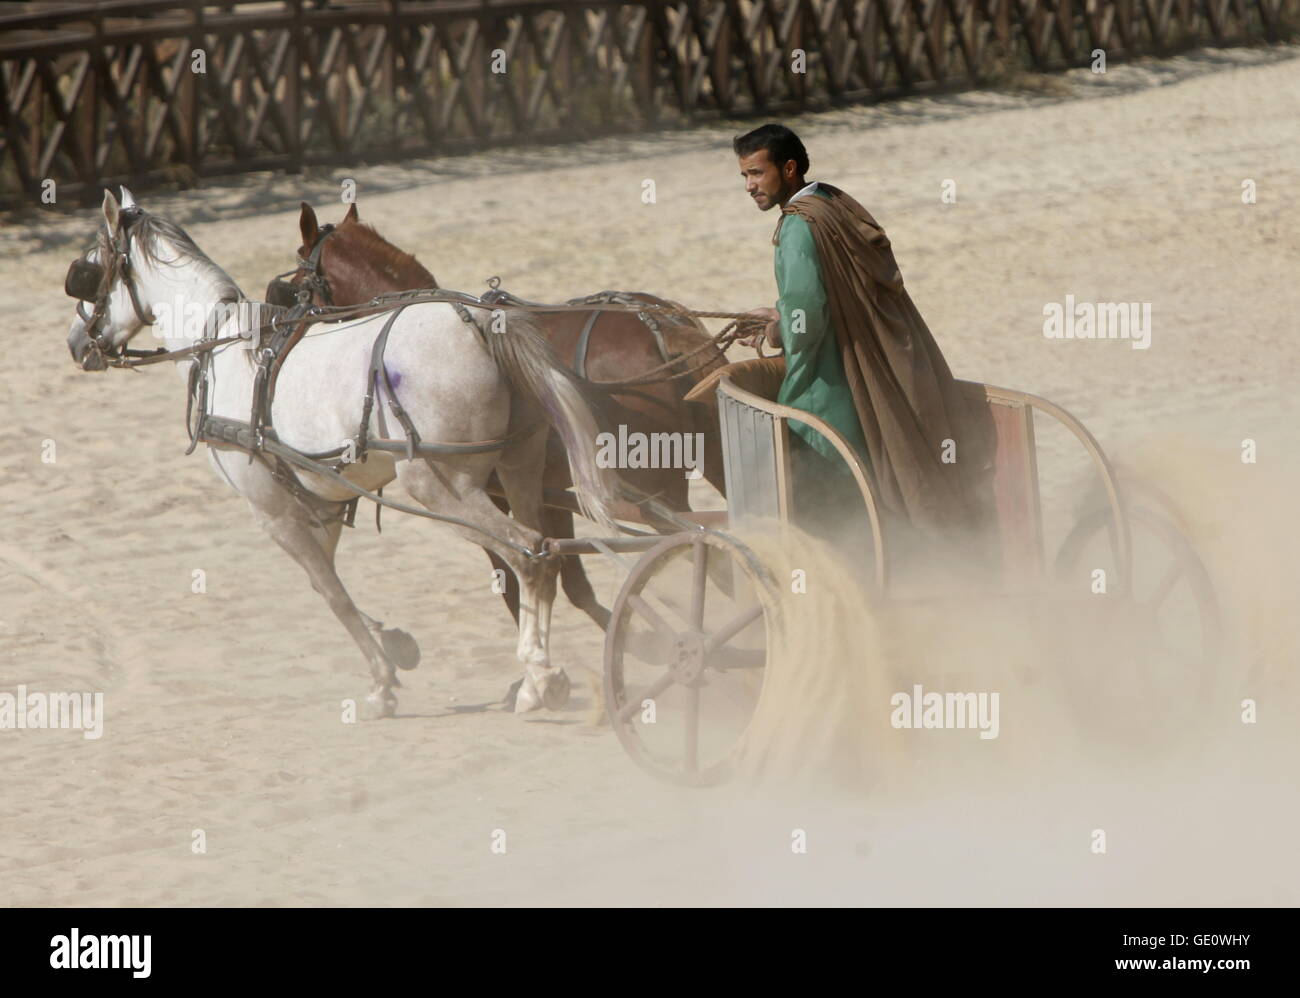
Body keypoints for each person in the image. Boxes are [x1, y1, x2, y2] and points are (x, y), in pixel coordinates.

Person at [733, 123, 994, 554]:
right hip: (879, 360)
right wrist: (779, 311)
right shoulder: (831, 202)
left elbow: (809, 317)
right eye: (744, 176)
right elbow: (829, 296)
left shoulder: (798, 227)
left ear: (789, 168)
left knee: (794, 462)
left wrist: (780, 328)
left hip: (830, 386)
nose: (749, 186)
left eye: (757, 173)